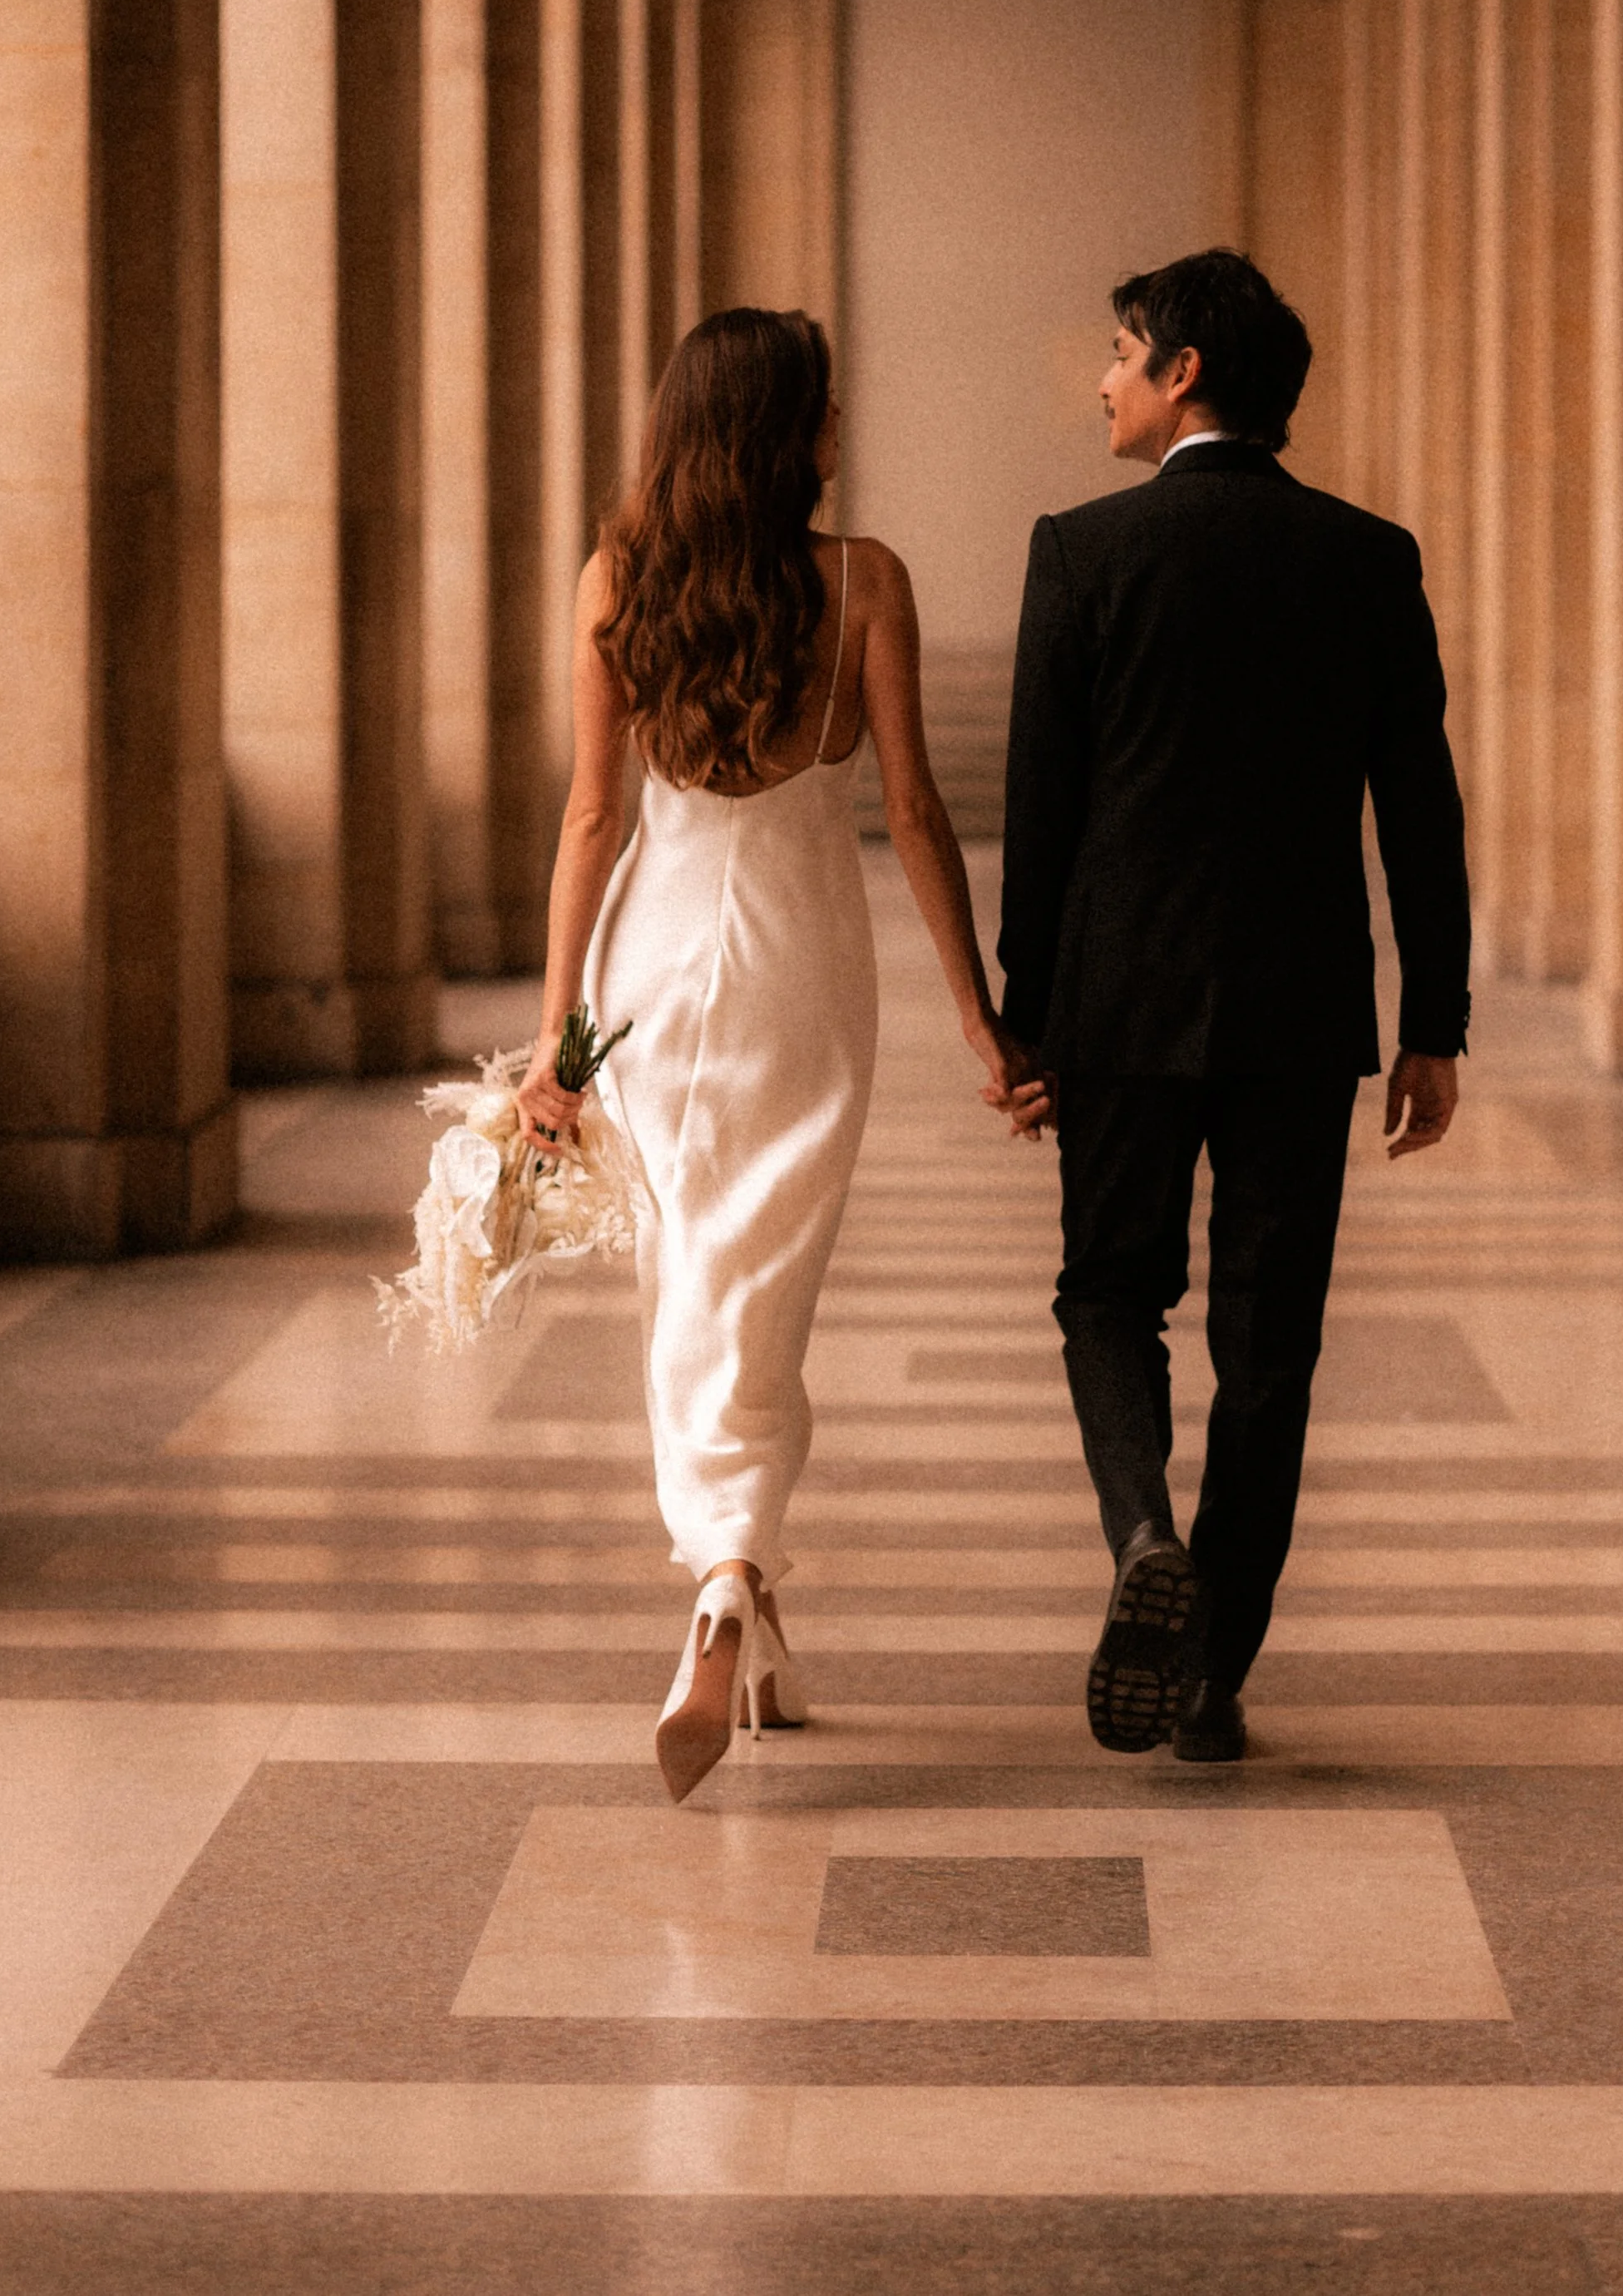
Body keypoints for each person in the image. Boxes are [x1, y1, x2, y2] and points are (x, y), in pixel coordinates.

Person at [516, 307, 1032, 1804]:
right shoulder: (866, 582)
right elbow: (920, 818)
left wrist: (557, 1041)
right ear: (789, 429)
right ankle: (733, 1574)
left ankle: (730, 1578)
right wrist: (978, 1017)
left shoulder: (617, 581)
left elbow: (592, 822)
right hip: (809, 967)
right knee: (761, 1273)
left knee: (691, 1264)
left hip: (657, 966)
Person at [997, 249, 1470, 1763]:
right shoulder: (1367, 556)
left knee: (1104, 1293)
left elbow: (1042, 812)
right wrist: (1435, 1021)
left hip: (1119, 999)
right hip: (1297, 1007)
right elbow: (1422, 809)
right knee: (1271, 1346)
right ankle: (1212, 1673)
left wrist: (1025, 1019)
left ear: (1184, 370)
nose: (1105, 378)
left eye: (1122, 351)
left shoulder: (1080, 553)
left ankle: (1142, 1529)